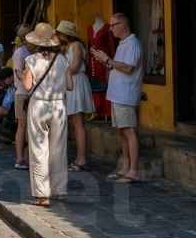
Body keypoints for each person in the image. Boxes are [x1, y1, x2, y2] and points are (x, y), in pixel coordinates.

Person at [22, 23, 69, 207]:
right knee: (58, 148)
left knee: (38, 148)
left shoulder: (31, 60)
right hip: (58, 105)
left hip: (39, 105)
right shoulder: (62, 59)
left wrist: (22, 75)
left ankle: (43, 194)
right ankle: (59, 189)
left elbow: (27, 86)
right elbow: (70, 85)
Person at [92, 13, 143, 183]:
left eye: (113, 25)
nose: (111, 29)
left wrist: (109, 60)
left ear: (123, 25)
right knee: (122, 131)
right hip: (117, 94)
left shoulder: (133, 43)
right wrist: (104, 60)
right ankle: (125, 166)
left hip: (126, 95)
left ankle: (134, 170)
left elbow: (128, 68)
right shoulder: (123, 44)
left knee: (129, 131)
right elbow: (118, 66)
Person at [59, 20, 94, 170]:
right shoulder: (69, 46)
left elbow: (75, 66)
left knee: (78, 123)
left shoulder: (76, 46)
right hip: (71, 82)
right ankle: (79, 157)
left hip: (76, 83)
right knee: (75, 123)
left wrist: (60, 73)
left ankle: (81, 159)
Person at [11, 25, 32, 170]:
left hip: (30, 92)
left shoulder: (31, 51)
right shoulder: (20, 52)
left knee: (30, 126)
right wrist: (28, 82)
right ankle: (19, 158)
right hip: (23, 92)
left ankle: (27, 155)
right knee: (22, 125)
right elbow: (18, 72)